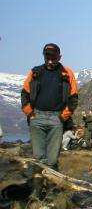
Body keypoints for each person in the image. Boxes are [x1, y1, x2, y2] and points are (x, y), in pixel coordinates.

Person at [21, 43, 78, 173]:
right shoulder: (35, 72)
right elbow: (24, 93)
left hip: (56, 119)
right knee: (38, 158)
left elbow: (73, 97)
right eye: (47, 58)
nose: (50, 61)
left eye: (53, 58)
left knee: (52, 159)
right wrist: (30, 113)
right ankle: (38, 190)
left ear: (60, 57)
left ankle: (51, 187)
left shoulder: (67, 73)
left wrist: (63, 116)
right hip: (37, 117)